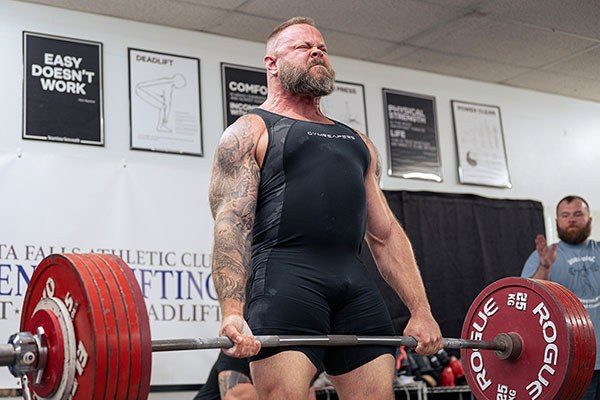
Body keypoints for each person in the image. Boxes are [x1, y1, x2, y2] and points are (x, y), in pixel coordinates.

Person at [208, 16, 443, 400]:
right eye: (303, 47)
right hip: (285, 284)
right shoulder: (250, 131)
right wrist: (233, 310)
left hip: (355, 288)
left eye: (322, 48)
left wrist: (421, 310)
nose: (317, 51)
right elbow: (231, 223)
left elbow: (383, 234)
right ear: (272, 63)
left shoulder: (358, 142)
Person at [521, 195, 600, 399]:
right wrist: (545, 267)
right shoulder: (543, 256)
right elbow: (529, 299)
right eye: (565, 215)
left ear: (589, 219)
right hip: (573, 363)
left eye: (577, 214)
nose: (571, 219)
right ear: (557, 222)